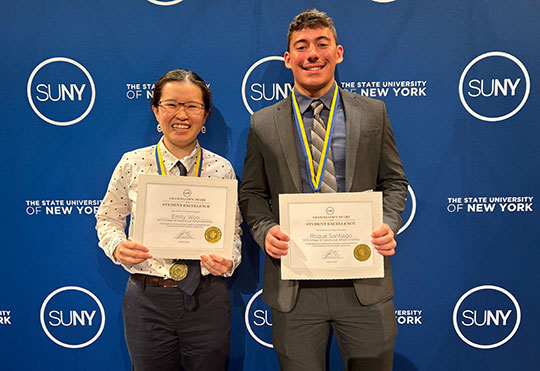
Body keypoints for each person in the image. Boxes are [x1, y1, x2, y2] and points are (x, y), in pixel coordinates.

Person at [239, 9, 408, 371]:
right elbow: (252, 193)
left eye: (321, 44)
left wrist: (389, 222)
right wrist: (265, 230)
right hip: (295, 287)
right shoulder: (262, 122)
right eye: (301, 46)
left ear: (338, 52)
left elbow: (394, 181)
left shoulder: (373, 112)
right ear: (288, 59)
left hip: (363, 282)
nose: (312, 54)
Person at [96, 69, 242, 371]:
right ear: (156, 110)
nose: (182, 115)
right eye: (171, 105)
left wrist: (229, 259)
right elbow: (108, 218)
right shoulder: (133, 163)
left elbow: (234, 231)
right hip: (148, 299)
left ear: (205, 114)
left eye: (192, 106)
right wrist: (116, 246)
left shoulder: (221, 168)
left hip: (207, 297)